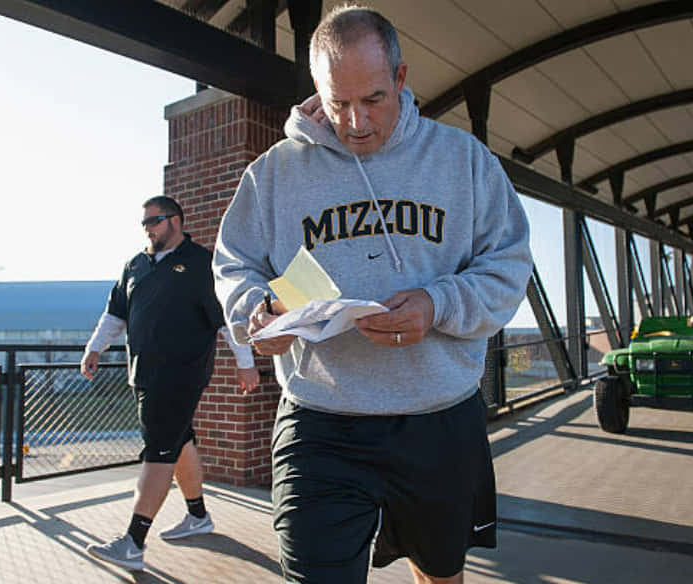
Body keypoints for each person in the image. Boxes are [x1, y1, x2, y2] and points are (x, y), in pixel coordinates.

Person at [213, 6, 532, 584]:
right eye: (338, 103)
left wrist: (438, 305)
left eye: (374, 100)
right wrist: (257, 315)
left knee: (439, 573)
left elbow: (509, 264)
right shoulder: (274, 173)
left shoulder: (463, 161)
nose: (356, 121)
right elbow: (233, 263)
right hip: (321, 421)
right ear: (317, 89)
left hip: (438, 418)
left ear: (402, 80)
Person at [82, 195, 259, 571]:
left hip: (181, 373)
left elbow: (227, 322)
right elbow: (116, 313)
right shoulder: (135, 265)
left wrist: (246, 364)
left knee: (158, 451)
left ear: (176, 221)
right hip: (143, 372)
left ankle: (133, 541)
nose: (148, 228)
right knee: (179, 440)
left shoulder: (200, 264)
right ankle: (197, 516)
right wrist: (94, 348)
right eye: (145, 223)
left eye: (155, 221)